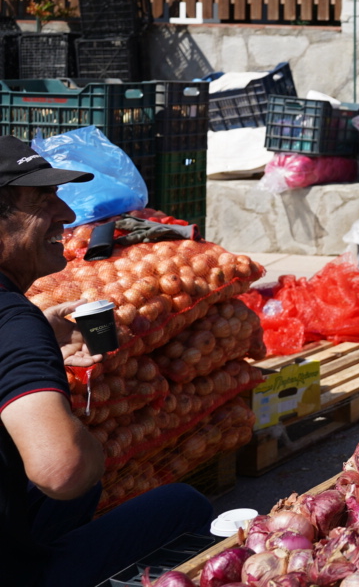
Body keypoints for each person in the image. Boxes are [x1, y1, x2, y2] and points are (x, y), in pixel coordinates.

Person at [0, 137, 214, 587]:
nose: (67, 214)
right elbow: (62, 470)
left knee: (77, 498)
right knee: (183, 505)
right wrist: (92, 446)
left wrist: (36, 335)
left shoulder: (19, 324)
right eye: (43, 199)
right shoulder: (13, 323)